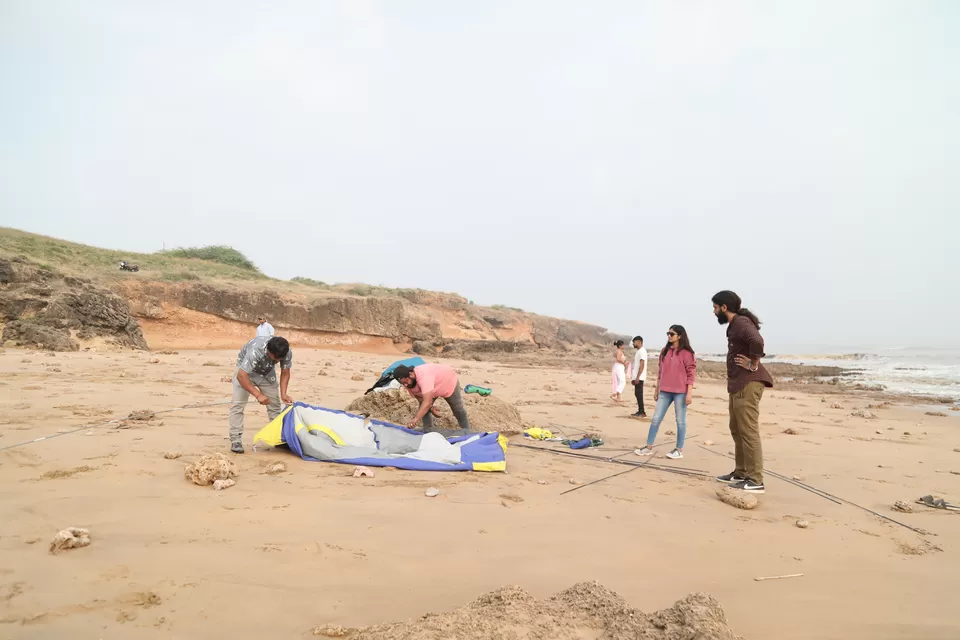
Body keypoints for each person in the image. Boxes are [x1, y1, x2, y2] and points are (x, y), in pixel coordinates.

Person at [712, 291, 774, 493]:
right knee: (737, 429)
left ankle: (755, 480)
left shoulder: (741, 322)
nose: (714, 312)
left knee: (748, 431)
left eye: (715, 308)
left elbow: (757, 341)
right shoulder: (735, 325)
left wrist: (753, 363)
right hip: (738, 384)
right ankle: (741, 472)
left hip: (748, 383)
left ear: (724, 307)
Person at [635, 325, 695, 459]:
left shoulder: (687, 353)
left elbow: (691, 374)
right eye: (668, 333)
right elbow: (660, 372)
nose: (669, 336)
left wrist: (689, 393)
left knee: (680, 421)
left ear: (680, 336)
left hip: (681, 392)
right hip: (665, 391)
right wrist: (657, 389)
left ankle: (679, 449)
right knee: (656, 419)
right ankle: (648, 447)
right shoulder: (664, 351)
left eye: (672, 334)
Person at [228, 336, 294, 453]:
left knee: (275, 406)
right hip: (245, 371)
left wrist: (284, 394)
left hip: (267, 372)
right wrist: (258, 395)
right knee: (237, 405)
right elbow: (241, 376)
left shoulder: (286, 352)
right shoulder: (255, 350)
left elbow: (285, 372)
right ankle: (236, 439)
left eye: (278, 359)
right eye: (274, 357)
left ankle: (278, 438)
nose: (276, 360)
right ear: (268, 350)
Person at [394, 363, 471, 433]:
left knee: (458, 409)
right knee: (423, 408)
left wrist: (415, 419)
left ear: (411, 374)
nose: (405, 385)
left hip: (447, 381)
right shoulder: (408, 383)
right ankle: (428, 431)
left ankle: (467, 431)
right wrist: (431, 408)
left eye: (406, 382)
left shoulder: (424, 376)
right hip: (431, 387)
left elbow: (427, 402)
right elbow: (420, 399)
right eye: (403, 383)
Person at [630, 335, 648, 417]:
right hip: (637, 377)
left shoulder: (642, 351)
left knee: (639, 394)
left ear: (639, 342)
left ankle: (642, 412)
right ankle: (640, 410)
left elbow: (642, 364)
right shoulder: (639, 351)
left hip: (640, 377)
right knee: (637, 394)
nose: (633, 343)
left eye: (634, 342)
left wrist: (638, 377)